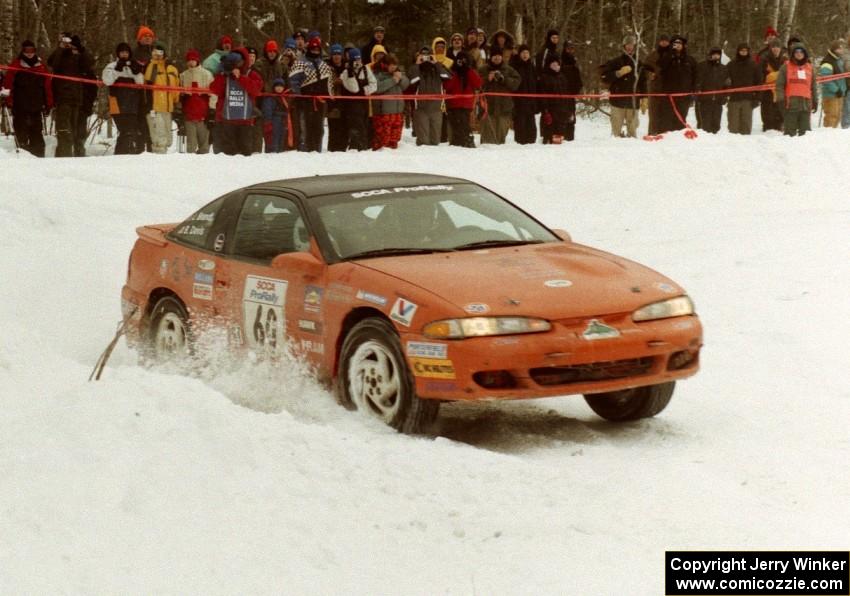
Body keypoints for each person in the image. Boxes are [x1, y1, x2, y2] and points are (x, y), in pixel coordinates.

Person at [3, 40, 52, 157]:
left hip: (36, 107)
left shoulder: (41, 67)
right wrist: (8, 101)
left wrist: (49, 104)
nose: (29, 53)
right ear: (23, 51)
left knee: (37, 136)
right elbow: (8, 85)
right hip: (20, 107)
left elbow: (47, 87)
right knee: (21, 134)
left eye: (32, 50)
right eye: (27, 50)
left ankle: (39, 160)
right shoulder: (16, 65)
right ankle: (23, 159)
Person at [48, 32, 94, 157]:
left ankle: (71, 159)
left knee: (74, 132)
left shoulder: (79, 58)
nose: (70, 47)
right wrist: (61, 48)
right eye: (66, 42)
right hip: (62, 98)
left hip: (76, 99)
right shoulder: (60, 56)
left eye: (73, 45)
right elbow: (52, 63)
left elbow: (89, 63)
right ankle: (63, 158)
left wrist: (81, 49)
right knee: (64, 131)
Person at [210, 49, 263, 155]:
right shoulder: (224, 75)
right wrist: (222, 74)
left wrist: (240, 78)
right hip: (227, 121)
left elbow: (256, 90)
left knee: (245, 155)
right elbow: (214, 89)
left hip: (245, 122)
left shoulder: (251, 74)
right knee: (227, 156)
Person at [288, 36, 334, 151]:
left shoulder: (324, 65)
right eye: (313, 49)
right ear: (309, 49)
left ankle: (317, 150)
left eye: (317, 49)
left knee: (319, 129)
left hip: (320, 103)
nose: (315, 51)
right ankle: (305, 151)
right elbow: (293, 82)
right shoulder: (300, 63)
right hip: (305, 102)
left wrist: (330, 100)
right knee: (305, 129)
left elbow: (329, 84)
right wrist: (298, 97)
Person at [600, 35, 648, 138]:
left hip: (633, 102)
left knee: (633, 132)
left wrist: (644, 97)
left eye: (632, 45)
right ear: (624, 46)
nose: (630, 47)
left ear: (634, 47)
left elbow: (643, 81)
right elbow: (604, 77)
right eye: (627, 45)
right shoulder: (615, 61)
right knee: (616, 132)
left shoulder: (639, 63)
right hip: (617, 101)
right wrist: (618, 73)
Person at [102, 42, 144, 154]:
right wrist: (117, 70)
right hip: (117, 102)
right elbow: (107, 81)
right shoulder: (111, 66)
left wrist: (136, 70)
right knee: (124, 130)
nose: (124, 54)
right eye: (122, 52)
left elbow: (141, 83)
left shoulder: (134, 65)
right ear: (118, 53)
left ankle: (126, 153)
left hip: (132, 103)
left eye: (126, 52)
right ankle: (121, 154)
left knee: (131, 130)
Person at [408, 46, 450, 145]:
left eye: (428, 56)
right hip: (421, 109)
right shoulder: (415, 69)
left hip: (436, 109)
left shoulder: (438, 69)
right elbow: (413, 81)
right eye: (423, 55)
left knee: (435, 141)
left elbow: (447, 77)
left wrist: (436, 63)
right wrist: (417, 65)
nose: (426, 58)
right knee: (423, 142)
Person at [143, 43, 180, 154]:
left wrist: (176, 103)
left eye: (160, 52)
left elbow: (176, 86)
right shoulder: (149, 66)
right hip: (154, 107)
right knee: (159, 139)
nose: (158, 55)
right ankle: (158, 163)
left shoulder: (172, 68)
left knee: (168, 139)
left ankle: (164, 163)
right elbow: (147, 80)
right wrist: (153, 62)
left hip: (168, 107)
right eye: (155, 52)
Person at [775, 44, 818, 137]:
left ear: (805, 53)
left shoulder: (810, 68)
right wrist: (781, 99)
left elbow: (813, 86)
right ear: (793, 54)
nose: (799, 54)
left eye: (801, 52)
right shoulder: (785, 67)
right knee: (789, 134)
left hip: (806, 105)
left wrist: (815, 100)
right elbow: (779, 85)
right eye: (796, 52)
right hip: (790, 105)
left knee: (806, 134)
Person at [478, 51, 520, 144]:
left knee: (500, 139)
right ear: (490, 57)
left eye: (498, 56)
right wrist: (487, 79)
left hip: (504, 109)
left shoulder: (509, 70)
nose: (496, 58)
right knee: (487, 140)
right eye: (494, 56)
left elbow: (516, 83)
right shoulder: (483, 69)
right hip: (487, 109)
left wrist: (504, 79)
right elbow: (476, 84)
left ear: (502, 57)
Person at [657, 35, 697, 133]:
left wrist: (694, 90)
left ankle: (679, 140)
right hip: (668, 95)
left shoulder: (690, 60)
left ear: (683, 46)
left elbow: (695, 76)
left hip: (684, 96)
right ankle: (665, 139)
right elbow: (661, 67)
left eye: (680, 44)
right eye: (675, 44)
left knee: (681, 118)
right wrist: (671, 54)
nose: (678, 46)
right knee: (666, 118)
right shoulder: (666, 57)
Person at [443, 51, 482, 147]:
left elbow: (478, 84)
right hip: (453, 105)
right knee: (456, 126)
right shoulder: (452, 72)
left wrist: (467, 69)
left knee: (465, 125)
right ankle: (457, 144)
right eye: (460, 60)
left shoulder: (470, 72)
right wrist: (456, 72)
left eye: (464, 60)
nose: (461, 62)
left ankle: (466, 142)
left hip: (466, 105)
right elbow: (447, 86)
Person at [340, 48, 376, 150]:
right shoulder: (346, 73)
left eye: (359, 60)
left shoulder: (365, 70)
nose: (357, 63)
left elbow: (374, 84)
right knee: (354, 129)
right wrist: (351, 74)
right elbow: (354, 89)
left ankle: (364, 148)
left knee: (364, 128)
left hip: (364, 105)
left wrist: (365, 90)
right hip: (351, 107)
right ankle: (354, 148)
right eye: (355, 60)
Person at [371, 54, 409, 150]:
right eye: (392, 65)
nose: (394, 68)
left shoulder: (398, 73)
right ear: (385, 65)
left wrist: (400, 78)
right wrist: (393, 80)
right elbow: (377, 88)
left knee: (394, 140)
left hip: (398, 112)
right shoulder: (376, 74)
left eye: (395, 65)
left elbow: (406, 85)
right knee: (383, 140)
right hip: (383, 113)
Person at [179, 48, 214, 154]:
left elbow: (213, 94)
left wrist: (212, 109)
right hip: (189, 115)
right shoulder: (183, 75)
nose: (191, 62)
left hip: (203, 115)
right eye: (189, 60)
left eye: (193, 60)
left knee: (204, 146)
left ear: (197, 60)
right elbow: (180, 95)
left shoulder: (206, 74)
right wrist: (179, 108)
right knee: (191, 146)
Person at [726, 43, 761, 135]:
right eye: (741, 50)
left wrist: (757, 98)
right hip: (734, 99)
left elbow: (759, 82)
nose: (743, 52)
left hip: (748, 99)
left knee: (746, 125)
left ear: (748, 52)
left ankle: (746, 146)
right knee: (733, 126)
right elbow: (725, 80)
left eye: (745, 51)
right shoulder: (731, 64)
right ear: (738, 51)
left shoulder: (753, 65)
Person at [539, 55, 574, 144]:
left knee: (559, 139)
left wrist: (570, 110)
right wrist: (545, 111)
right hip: (550, 111)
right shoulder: (544, 77)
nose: (556, 66)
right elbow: (543, 95)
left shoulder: (563, 77)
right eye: (553, 64)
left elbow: (568, 94)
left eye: (557, 64)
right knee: (549, 139)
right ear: (549, 65)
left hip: (562, 111)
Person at [694, 47, 729, 134]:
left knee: (716, 125)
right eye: (714, 54)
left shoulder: (724, 68)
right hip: (705, 101)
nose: (716, 56)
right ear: (710, 55)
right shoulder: (702, 66)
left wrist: (725, 96)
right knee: (704, 126)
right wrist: (698, 92)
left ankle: (714, 143)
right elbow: (697, 80)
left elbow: (727, 84)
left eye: (718, 54)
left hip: (718, 101)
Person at [509, 45, 538, 144]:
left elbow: (536, 84)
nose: (525, 55)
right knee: (520, 128)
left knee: (531, 129)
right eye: (523, 53)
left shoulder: (532, 67)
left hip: (531, 102)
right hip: (519, 103)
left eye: (527, 53)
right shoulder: (514, 66)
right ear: (519, 54)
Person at [557, 39, 583, 142]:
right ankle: (561, 137)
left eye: (572, 48)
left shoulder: (574, 62)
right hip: (561, 95)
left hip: (571, 95)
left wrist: (576, 89)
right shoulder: (560, 61)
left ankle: (570, 138)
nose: (570, 50)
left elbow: (578, 80)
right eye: (568, 48)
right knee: (561, 117)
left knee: (571, 118)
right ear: (564, 48)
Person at [645, 34, 670, 135]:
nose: (664, 43)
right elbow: (645, 69)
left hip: (669, 89)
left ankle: (665, 134)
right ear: (659, 42)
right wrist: (650, 75)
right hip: (655, 88)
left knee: (666, 113)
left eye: (666, 41)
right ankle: (652, 133)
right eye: (662, 41)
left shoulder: (672, 55)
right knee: (654, 112)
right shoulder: (652, 55)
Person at [818, 40, 846, 128]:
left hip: (839, 93)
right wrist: (836, 89)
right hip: (831, 94)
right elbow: (826, 79)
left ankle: (833, 136)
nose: (842, 51)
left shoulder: (838, 60)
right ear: (835, 49)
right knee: (831, 116)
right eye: (840, 48)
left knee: (837, 116)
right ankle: (827, 135)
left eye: (842, 48)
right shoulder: (828, 61)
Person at [325, 44, 348, 151]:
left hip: (345, 101)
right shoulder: (327, 67)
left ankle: (343, 149)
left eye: (338, 54)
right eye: (334, 54)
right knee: (334, 128)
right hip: (332, 102)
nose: (336, 56)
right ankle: (332, 150)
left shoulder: (346, 67)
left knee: (344, 127)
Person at [760, 39, 785, 132]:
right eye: (773, 47)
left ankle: (779, 126)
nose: (776, 49)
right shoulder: (764, 58)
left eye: (777, 47)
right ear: (771, 48)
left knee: (779, 110)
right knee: (767, 110)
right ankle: (767, 128)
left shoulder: (784, 59)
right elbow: (761, 74)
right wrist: (776, 75)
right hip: (767, 90)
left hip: (780, 90)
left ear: (780, 48)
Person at [262, 78, 290, 152]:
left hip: (283, 121)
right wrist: (268, 122)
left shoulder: (285, 97)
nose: (279, 88)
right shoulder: (270, 97)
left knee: (281, 138)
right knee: (273, 138)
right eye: (277, 86)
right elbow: (267, 110)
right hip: (274, 120)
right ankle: (272, 152)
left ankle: (279, 152)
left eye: (281, 86)